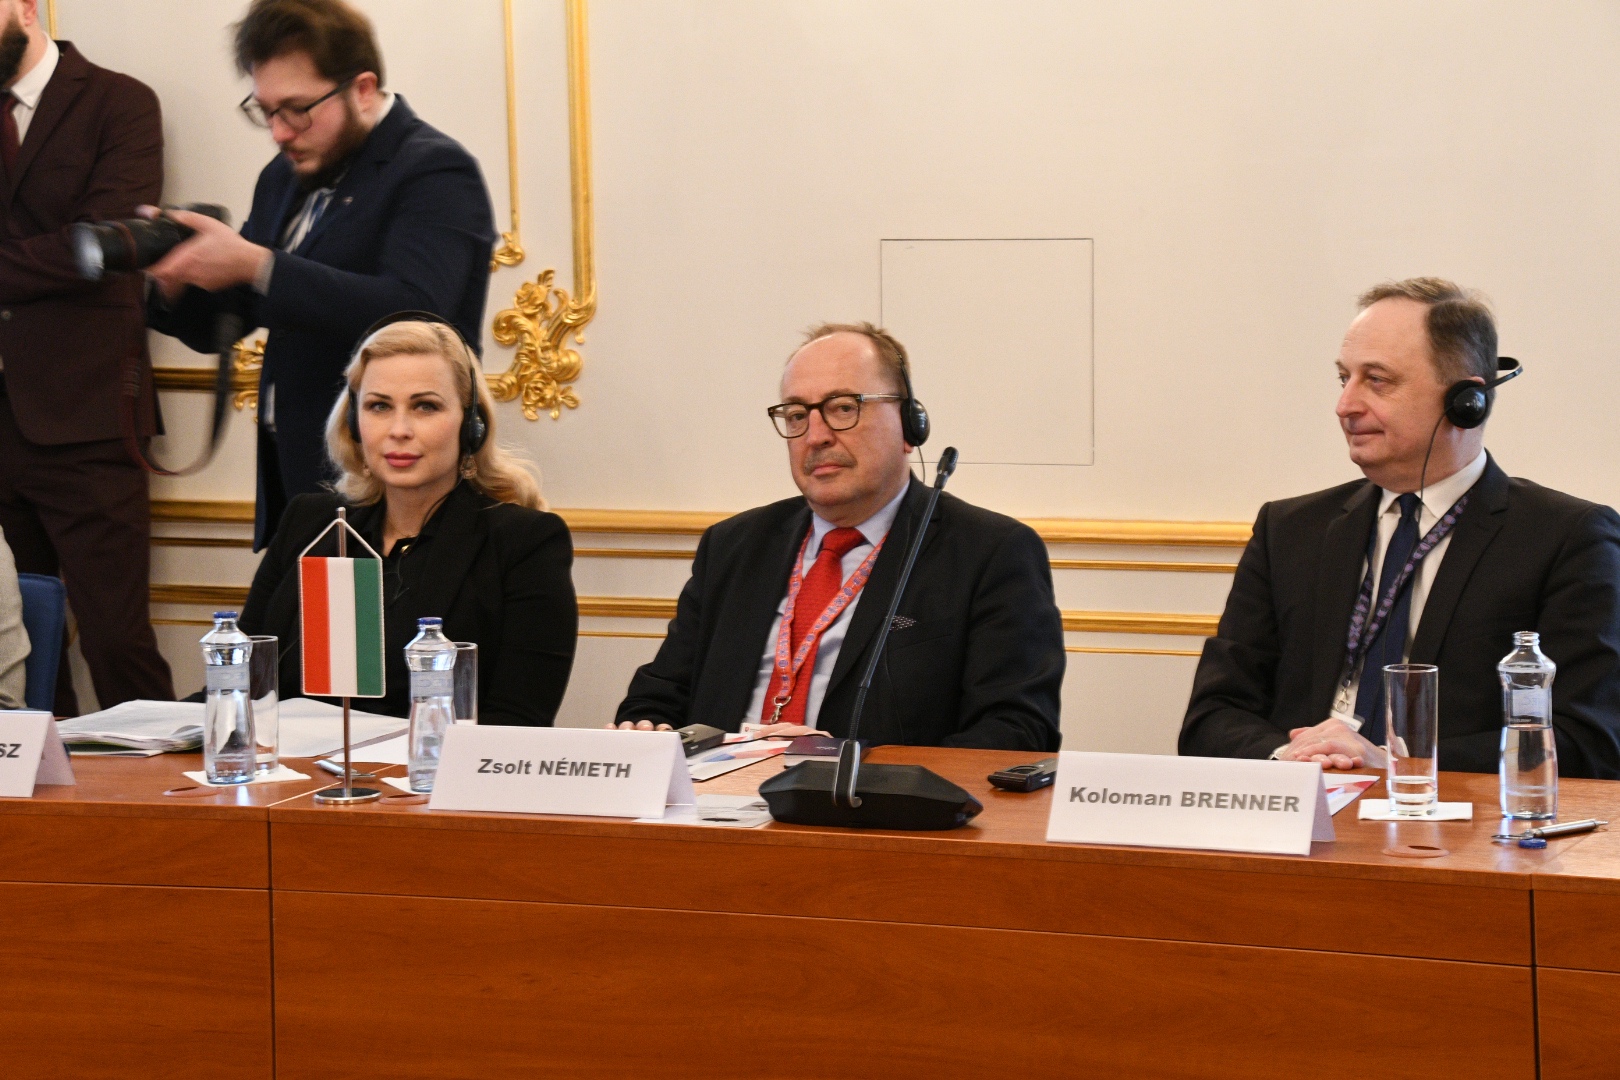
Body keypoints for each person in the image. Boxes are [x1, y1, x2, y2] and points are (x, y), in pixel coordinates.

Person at [1181, 278, 1620, 777]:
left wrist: (1398, 764)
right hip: (1299, 807)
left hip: (1457, 820)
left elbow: (1590, 741)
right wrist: (1294, 758)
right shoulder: (1288, 530)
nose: (1345, 405)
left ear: (1466, 401)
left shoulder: (1567, 538)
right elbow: (1212, 716)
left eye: (1377, 380)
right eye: (1343, 378)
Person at [612, 322, 1065, 750]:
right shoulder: (733, 546)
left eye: (843, 408)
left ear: (909, 426)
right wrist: (645, 729)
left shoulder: (990, 552)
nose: (815, 436)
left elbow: (1016, 732)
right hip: (713, 799)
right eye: (796, 415)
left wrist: (847, 762)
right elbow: (657, 697)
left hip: (867, 804)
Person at [147, 0, 497, 550]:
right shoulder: (282, 177)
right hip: (299, 483)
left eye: (297, 110)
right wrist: (171, 281)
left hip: (396, 488)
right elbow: (236, 313)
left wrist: (255, 263)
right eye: (265, 111)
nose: (279, 133)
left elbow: (415, 310)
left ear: (362, 89)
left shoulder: (435, 169)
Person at [239, 317, 576, 725]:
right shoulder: (309, 523)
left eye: (425, 406)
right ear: (354, 423)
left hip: (435, 765)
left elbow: (517, 722)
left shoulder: (525, 541)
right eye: (379, 406)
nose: (399, 430)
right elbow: (241, 685)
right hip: (295, 762)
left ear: (472, 425)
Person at [0, 0, 172, 714]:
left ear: (26, 7)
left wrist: (79, 249)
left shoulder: (119, 103)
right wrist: (57, 254)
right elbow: (66, 251)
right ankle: (41, 787)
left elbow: (103, 247)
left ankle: (161, 784)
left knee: (116, 640)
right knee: (21, 653)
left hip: (91, 417)